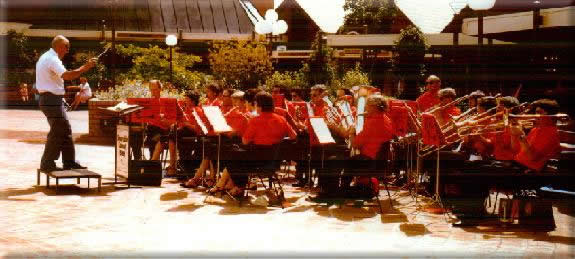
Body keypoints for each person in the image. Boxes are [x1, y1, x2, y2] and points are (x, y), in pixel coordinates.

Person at [208, 92, 297, 196]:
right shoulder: (282, 119)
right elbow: (293, 137)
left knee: (230, 155)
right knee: (235, 155)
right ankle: (230, 185)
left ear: (259, 106)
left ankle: (239, 186)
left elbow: (245, 141)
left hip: (257, 162)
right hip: (275, 161)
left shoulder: (255, 120)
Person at [36, 35, 97, 172]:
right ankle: (47, 163)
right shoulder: (52, 59)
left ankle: (68, 161)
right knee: (58, 130)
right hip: (51, 100)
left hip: (51, 99)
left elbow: (52, 82)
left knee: (64, 129)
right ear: (58, 46)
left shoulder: (46, 57)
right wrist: (85, 67)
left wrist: (59, 97)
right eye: (66, 47)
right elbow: (68, 75)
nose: (68, 50)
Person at [510, 99, 561, 171]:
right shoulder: (536, 129)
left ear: (550, 115)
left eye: (539, 112)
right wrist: (514, 135)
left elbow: (532, 157)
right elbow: (516, 150)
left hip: (529, 169)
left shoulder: (551, 133)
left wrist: (521, 135)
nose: (535, 116)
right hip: (518, 164)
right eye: (535, 112)